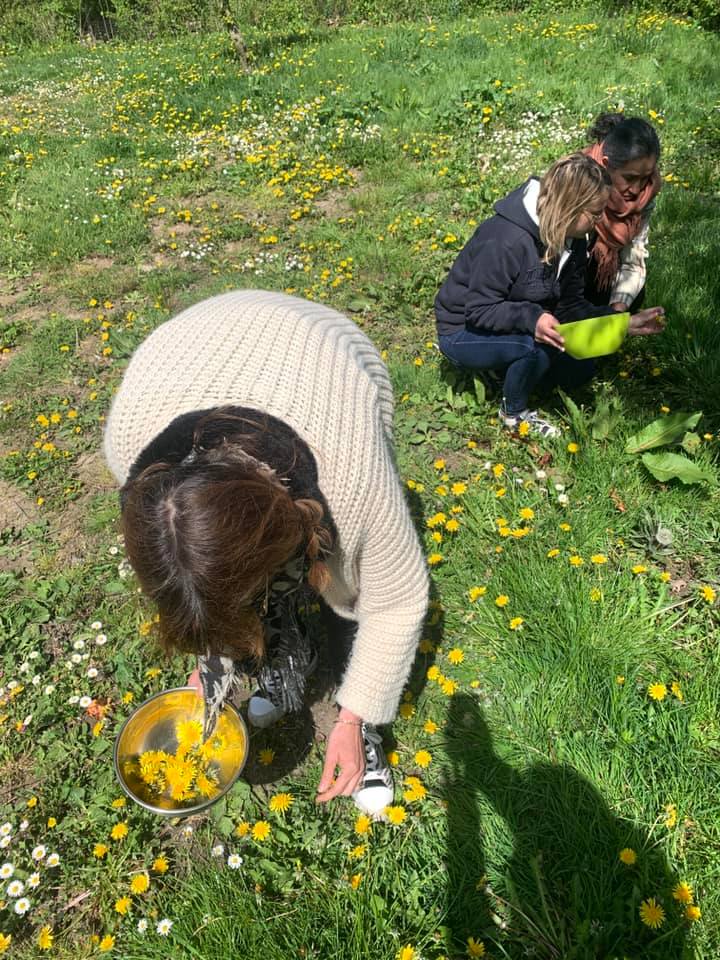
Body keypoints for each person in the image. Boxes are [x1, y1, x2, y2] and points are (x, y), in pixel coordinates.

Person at [103, 289, 429, 813]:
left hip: (319, 349)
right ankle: (279, 649)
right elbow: (199, 571)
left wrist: (353, 716)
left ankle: (362, 729)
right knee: (228, 578)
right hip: (194, 348)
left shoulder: (351, 472)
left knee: (356, 588)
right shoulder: (131, 449)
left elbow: (399, 602)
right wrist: (213, 652)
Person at [434, 153, 665, 438]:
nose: (598, 222)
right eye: (594, 214)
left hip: (514, 323)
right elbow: (479, 309)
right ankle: (513, 414)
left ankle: (502, 371)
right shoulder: (506, 238)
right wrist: (533, 319)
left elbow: (570, 306)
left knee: (581, 368)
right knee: (533, 347)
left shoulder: (574, 240)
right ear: (570, 207)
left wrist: (622, 322)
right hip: (463, 331)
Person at [582, 113, 662, 313]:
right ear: (606, 165)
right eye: (629, 178)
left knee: (634, 295)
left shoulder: (646, 193)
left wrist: (617, 311)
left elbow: (633, 262)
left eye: (645, 177)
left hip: (600, 277)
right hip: (568, 274)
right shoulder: (579, 181)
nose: (636, 190)